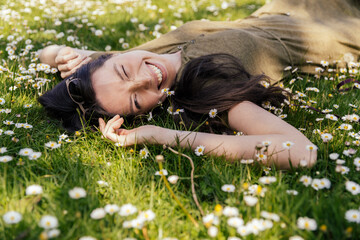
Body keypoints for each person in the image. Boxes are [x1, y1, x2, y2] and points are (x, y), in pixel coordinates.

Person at [37, 0, 360, 169]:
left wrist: (64, 55)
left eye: (123, 71)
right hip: (338, 29)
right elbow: (302, 152)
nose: (146, 79)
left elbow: (44, 54)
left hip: (289, 6)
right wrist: (161, 135)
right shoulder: (204, 88)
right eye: (136, 101)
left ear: (107, 58)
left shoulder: (125, 61)